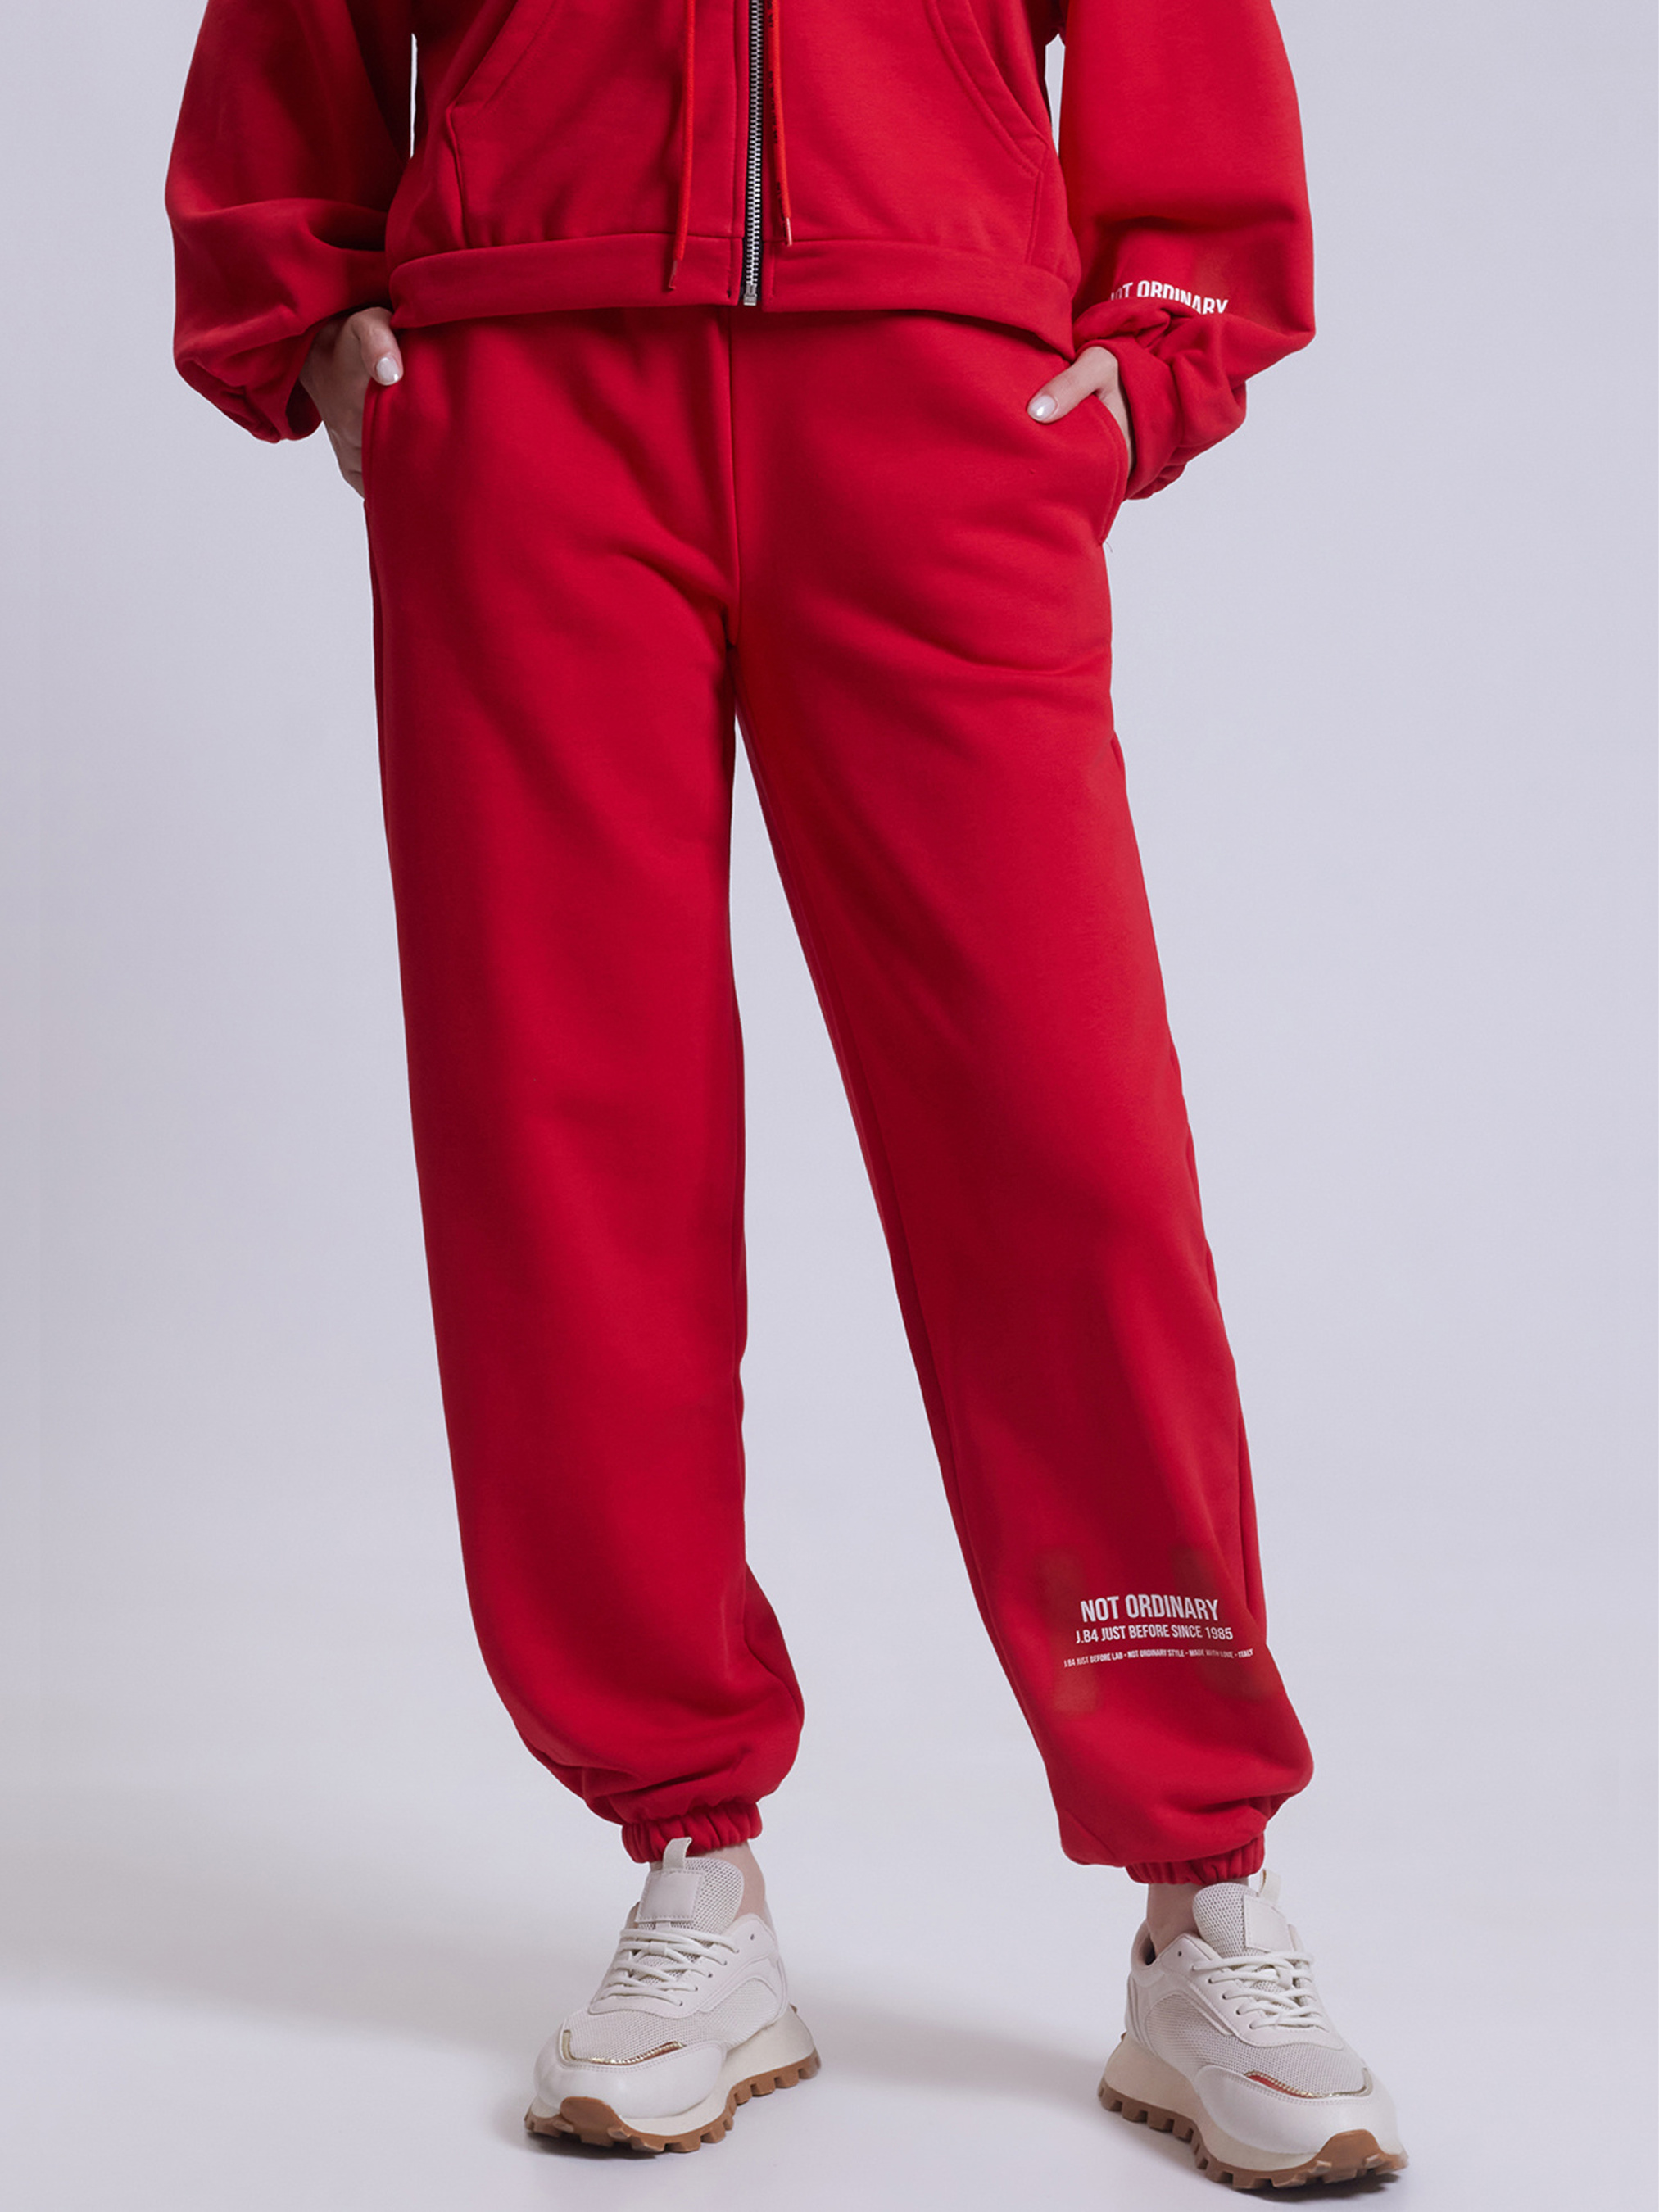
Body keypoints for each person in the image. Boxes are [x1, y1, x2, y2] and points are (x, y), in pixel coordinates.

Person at [166, 0, 1405, 2185]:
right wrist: (313, 306)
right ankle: (690, 1865)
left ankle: (1202, 1881)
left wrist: (1159, 348)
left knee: (1066, 1146)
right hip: (528, 381)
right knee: (566, 1139)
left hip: (933, 383)